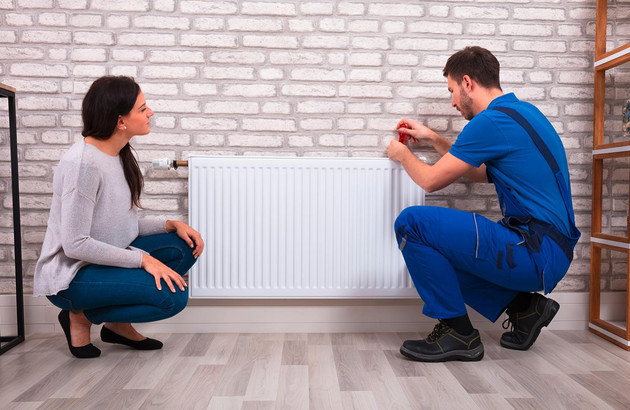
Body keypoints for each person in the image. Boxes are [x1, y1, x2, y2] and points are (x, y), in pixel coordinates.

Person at [388, 46, 580, 362]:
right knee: (443, 247)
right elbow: (479, 173)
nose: (451, 101)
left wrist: (402, 154)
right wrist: (434, 139)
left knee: (412, 224)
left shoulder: (489, 122)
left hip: (535, 250)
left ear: (467, 83)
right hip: (549, 250)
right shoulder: (522, 113)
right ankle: (525, 309)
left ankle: (458, 333)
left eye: (451, 90)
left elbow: (431, 181)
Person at [33, 76, 204, 358]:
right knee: (172, 298)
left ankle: (116, 326)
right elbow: (75, 244)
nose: (151, 113)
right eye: (142, 108)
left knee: (182, 245)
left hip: (104, 259)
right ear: (121, 122)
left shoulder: (117, 154)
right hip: (73, 275)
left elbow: (122, 225)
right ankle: (80, 316)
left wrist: (172, 224)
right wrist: (144, 260)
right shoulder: (83, 166)